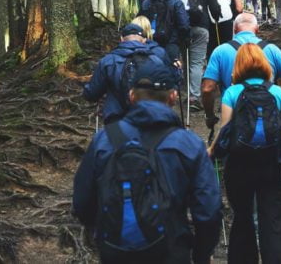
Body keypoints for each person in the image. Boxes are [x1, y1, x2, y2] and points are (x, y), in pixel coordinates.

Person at [73, 58, 223, 263]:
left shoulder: (105, 139)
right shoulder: (189, 144)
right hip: (172, 250)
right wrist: (200, 253)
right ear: (172, 96)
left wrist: (106, 234)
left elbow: (82, 202)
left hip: (116, 250)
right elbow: (208, 211)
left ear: (132, 96)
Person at [207, 43, 281, 263]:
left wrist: (211, 150)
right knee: (273, 219)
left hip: (239, 165)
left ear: (238, 65)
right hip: (272, 164)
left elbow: (225, 130)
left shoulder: (232, 92)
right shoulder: (276, 91)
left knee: (243, 216)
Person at [201, 13, 281, 134]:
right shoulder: (272, 49)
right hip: (269, 122)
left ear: (235, 29)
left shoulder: (220, 51)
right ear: (257, 29)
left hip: (235, 122)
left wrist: (210, 116)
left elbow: (207, 89)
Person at [83, 23, 172, 124]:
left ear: (121, 39)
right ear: (144, 40)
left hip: (115, 122)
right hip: (148, 120)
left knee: (115, 139)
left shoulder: (108, 61)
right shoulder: (156, 61)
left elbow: (91, 94)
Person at [174, 0, 222, 108]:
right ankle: (194, 97)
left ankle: (188, 93)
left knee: (186, 60)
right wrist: (216, 17)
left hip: (181, 28)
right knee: (196, 63)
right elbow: (214, 7)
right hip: (200, 27)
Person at [139, 0, 191, 65]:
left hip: (150, 43)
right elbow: (184, 25)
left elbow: (139, 21)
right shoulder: (176, 3)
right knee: (171, 70)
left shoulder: (147, 2)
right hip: (171, 43)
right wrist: (185, 39)